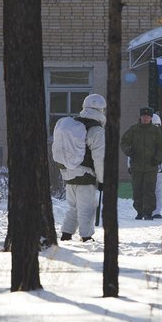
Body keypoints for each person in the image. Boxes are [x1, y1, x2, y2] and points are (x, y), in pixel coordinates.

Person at [59, 94, 106, 242]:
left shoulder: (74, 124)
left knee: (73, 207)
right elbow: (99, 158)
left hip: (68, 172)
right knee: (87, 208)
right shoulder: (97, 131)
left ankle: (66, 234)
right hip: (86, 174)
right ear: (101, 110)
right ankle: (86, 236)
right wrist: (102, 179)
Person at [120, 106, 162, 220]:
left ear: (151, 118)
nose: (145, 118)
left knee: (150, 190)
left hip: (151, 166)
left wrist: (157, 158)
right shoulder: (133, 130)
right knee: (137, 189)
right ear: (140, 117)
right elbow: (124, 142)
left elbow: (161, 146)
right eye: (144, 116)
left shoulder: (156, 131)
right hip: (137, 166)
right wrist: (129, 151)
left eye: (148, 116)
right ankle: (139, 212)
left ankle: (148, 212)